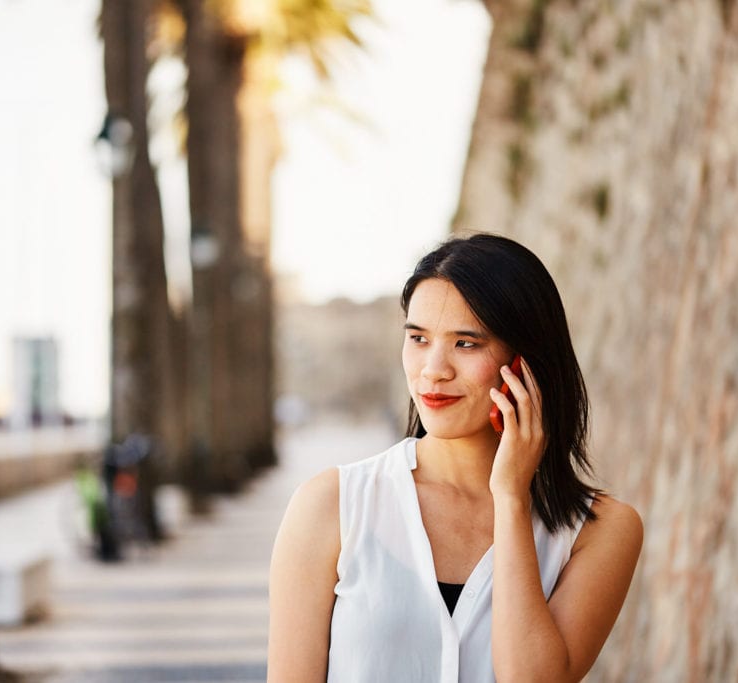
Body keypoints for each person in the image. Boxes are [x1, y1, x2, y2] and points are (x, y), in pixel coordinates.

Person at [267, 233, 643, 682]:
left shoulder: (598, 532)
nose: (433, 370)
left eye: (466, 343)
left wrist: (511, 499)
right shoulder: (332, 506)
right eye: (419, 338)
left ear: (525, 363)